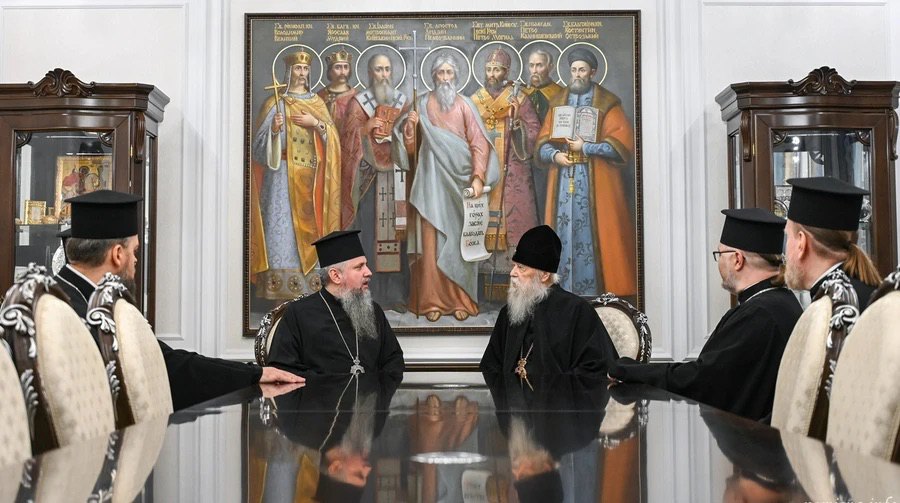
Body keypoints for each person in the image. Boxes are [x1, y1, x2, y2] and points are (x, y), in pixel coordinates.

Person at [53, 190, 303, 411]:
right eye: (134, 251)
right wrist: (254, 374)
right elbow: (169, 367)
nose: (136, 261)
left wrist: (253, 373)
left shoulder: (71, 294)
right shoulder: (78, 311)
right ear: (118, 255)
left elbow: (165, 359)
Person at [609, 208, 803, 421]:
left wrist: (630, 371)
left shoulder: (759, 313)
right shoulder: (779, 302)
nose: (719, 262)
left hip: (751, 445)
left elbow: (701, 380)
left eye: (720, 254)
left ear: (737, 259)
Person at [395, 51, 500, 321]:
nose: (444, 78)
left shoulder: (465, 105)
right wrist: (410, 127)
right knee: (430, 243)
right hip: (430, 183)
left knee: (459, 242)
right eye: (440, 73)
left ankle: (461, 302)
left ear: (456, 76)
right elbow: (409, 151)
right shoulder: (420, 104)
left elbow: (479, 143)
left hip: (460, 184)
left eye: (449, 73)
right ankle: (429, 302)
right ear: (433, 77)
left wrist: (478, 177)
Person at [535, 48, 636, 298]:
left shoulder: (607, 103)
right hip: (562, 182)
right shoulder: (558, 102)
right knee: (561, 232)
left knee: (594, 235)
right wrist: (555, 155)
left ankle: (593, 293)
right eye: (573, 70)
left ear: (593, 72)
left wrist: (587, 147)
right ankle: (561, 292)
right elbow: (542, 143)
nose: (577, 75)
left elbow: (622, 145)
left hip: (595, 183)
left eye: (582, 70)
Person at [250, 48, 341, 301]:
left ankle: (310, 293)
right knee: (281, 234)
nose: (301, 73)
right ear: (288, 72)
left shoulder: (317, 104)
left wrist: (317, 124)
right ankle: (280, 294)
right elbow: (257, 152)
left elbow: (333, 139)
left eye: (305, 69)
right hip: (280, 181)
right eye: (297, 69)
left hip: (311, 182)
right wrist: (275, 131)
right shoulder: (276, 103)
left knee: (311, 237)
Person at [480, 225, 618, 376]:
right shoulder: (508, 313)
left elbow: (597, 370)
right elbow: (490, 367)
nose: (512, 273)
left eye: (521, 267)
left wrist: (553, 389)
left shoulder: (578, 311)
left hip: (562, 399)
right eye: (514, 266)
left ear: (544, 275)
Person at [267, 230, 405, 375]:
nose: (368, 272)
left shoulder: (374, 310)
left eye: (366, 265)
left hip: (369, 397)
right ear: (336, 276)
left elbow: (394, 361)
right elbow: (282, 371)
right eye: (359, 267)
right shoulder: (298, 314)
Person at [470, 47, 542, 300]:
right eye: (488, 69)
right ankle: (481, 288)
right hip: (483, 169)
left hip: (514, 172)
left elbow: (535, 131)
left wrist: (519, 125)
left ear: (506, 72)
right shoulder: (475, 99)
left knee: (515, 223)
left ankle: (518, 289)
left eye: (497, 69)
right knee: (480, 225)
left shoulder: (519, 98)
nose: (492, 74)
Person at [340, 53, 410, 310]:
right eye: (378, 70)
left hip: (396, 179)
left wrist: (410, 128)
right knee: (370, 237)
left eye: (387, 69)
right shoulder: (359, 103)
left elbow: (412, 142)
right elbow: (347, 141)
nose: (384, 75)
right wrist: (365, 129)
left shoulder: (403, 101)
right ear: (370, 73)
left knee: (398, 238)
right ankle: (372, 295)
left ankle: (396, 295)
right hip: (369, 180)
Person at [782, 176, 880, 311]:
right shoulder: (866, 291)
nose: (785, 250)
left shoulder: (832, 305)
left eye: (788, 236)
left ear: (801, 242)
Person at [317, 48, 357, 131]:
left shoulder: (357, 96)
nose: (342, 72)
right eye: (338, 67)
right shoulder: (319, 96)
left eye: (346, 67)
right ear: (330, 71)